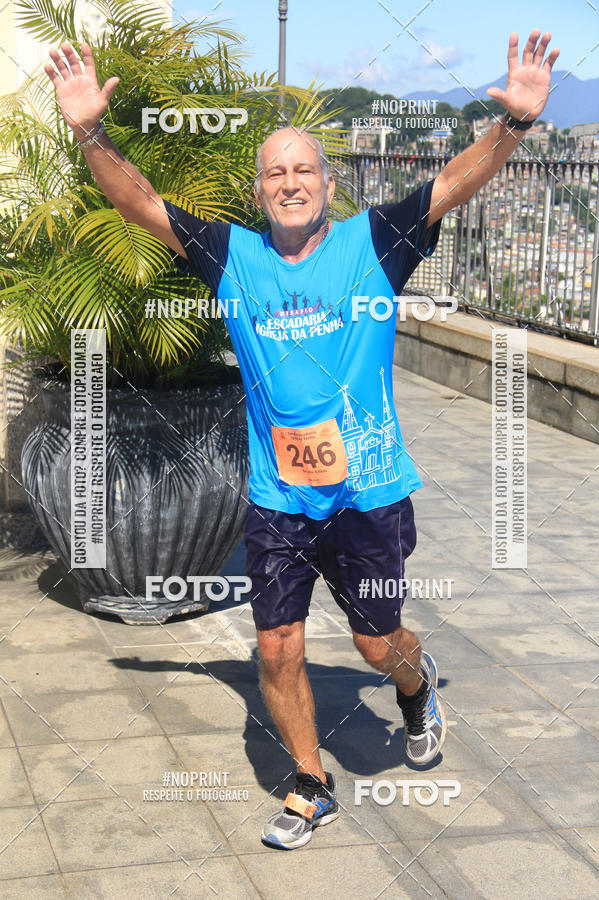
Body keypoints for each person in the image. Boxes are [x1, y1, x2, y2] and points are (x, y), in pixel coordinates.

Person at [45, 28, 558, 850]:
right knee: (276, 646)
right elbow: (140, 203)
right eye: (275, 172)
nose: (291, 183)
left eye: (304, 170)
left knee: (373, 639)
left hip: (367, 490)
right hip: (279, 495)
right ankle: (309, 785)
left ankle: (416, 688)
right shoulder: (234, 256)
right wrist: (90, 135)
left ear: (328, 183)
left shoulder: (374, 243)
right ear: (260, 192)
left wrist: (516, 126)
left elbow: (453, 184)